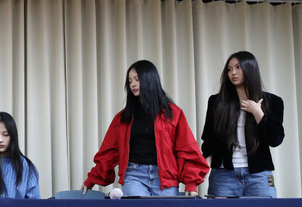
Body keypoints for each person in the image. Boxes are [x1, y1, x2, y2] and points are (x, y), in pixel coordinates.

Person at [82, 60, 208, 197]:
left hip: (166, 178)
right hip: (134, 176)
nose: (133, 84)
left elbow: (186, 149)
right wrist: (91, 180)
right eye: (130, 81)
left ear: (150, 80)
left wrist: (191, 182)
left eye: (137, 79)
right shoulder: (122, 118)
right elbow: (109, 152)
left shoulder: (173, 114)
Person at [201, 51, 284, 198]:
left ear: (250, 69)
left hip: (259, 175)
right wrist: (204, 165)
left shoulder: (272, 101)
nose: (233, 72)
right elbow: (209, 139)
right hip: (223, 175)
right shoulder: (217, 102)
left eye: (238, 67)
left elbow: (275, 139)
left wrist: (257, 112)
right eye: (229, 69)